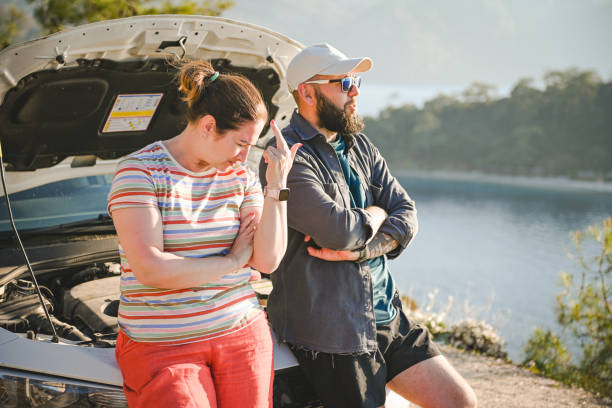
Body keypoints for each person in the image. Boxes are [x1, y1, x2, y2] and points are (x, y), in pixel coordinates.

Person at [259, 44, 477, 408]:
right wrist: (376, 214)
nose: (355, 91)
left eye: (356, 81)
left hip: (387, 315)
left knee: (459, 401)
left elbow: (406, 212)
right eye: (344, 82)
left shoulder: (359, 145)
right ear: (307, 92)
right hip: (332, 333)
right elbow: (339, 232)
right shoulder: (286, 155)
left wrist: (363, 248)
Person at [107, 60, 300, 408]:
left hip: (242, 333)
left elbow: (268, 259)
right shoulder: (139, 172)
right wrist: (233, 261)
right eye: (241, 143)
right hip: (163, 346)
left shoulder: (239, 177)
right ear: (209, 126)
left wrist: (277, 186)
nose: (244, 158)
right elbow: (153, 270)